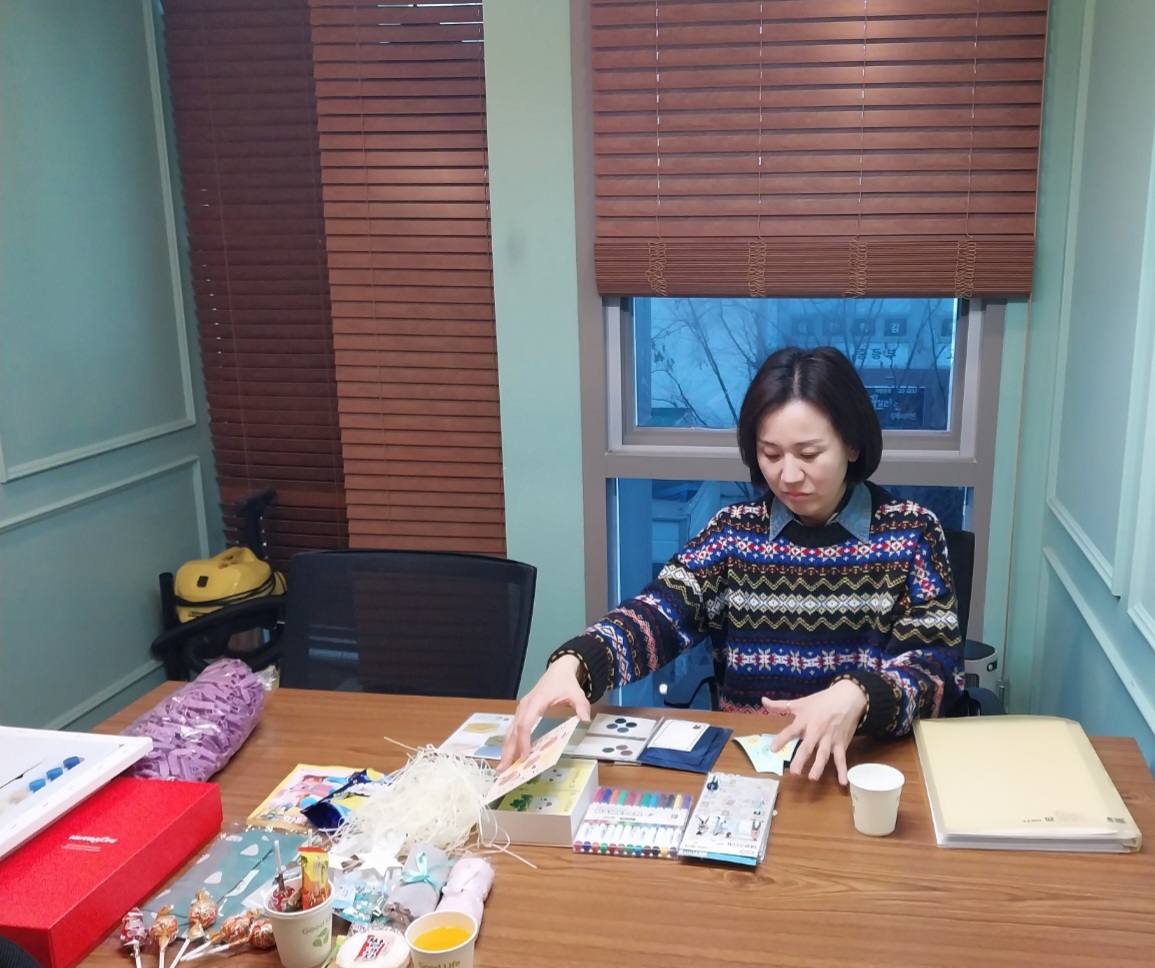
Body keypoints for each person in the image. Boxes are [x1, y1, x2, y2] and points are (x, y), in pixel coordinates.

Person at [499, 346, 964, 784]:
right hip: (751, 771)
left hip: (865, 771)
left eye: (809, 454)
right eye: (770, 454)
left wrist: (859, 694)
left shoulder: (911, 533)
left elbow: (938, 671)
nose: (788, 475)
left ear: (852, 445)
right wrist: (578, 661)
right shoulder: (734, 534)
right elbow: (660, 613)